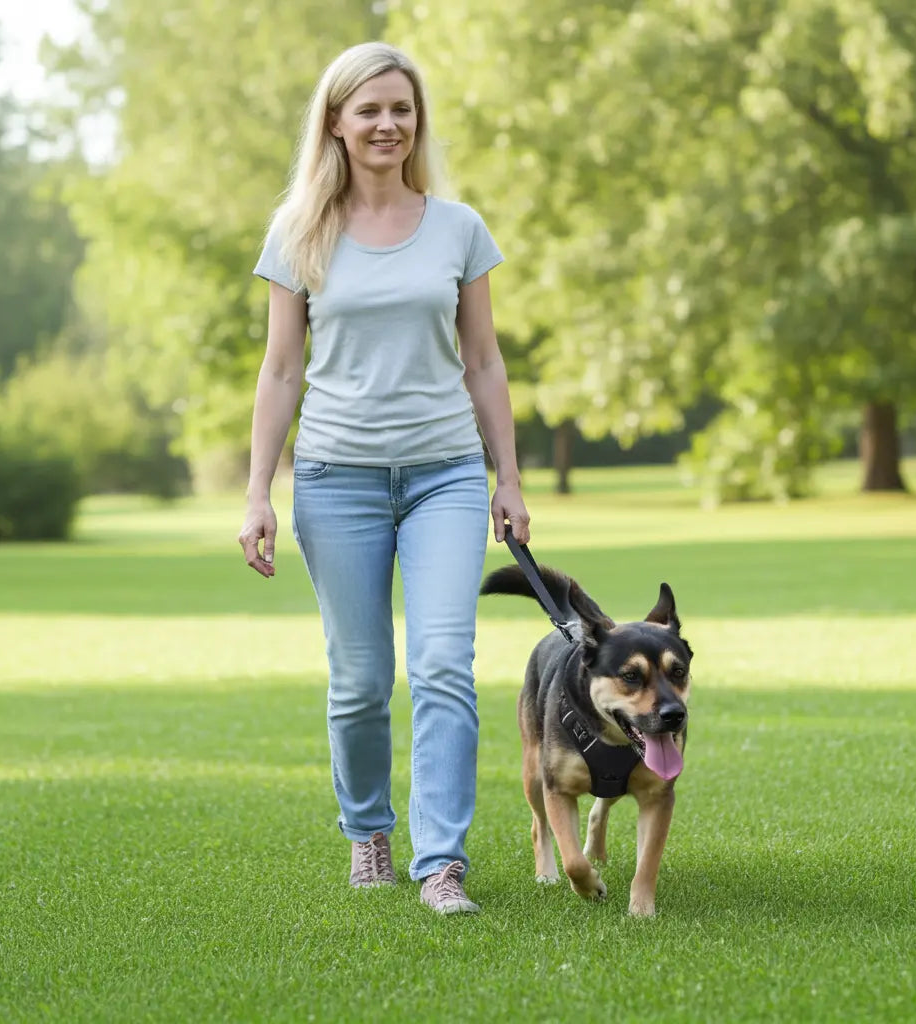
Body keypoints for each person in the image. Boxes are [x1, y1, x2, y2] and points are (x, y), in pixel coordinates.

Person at [237, 41, 530, 915]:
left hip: (444, 472)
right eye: (368, 109)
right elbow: (281, 370)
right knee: (361, 679)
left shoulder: (458, 227)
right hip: (337, 478)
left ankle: (441, 862)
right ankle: (369, 831)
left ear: (417, 121)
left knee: (444, 664)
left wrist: (506, 475)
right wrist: (258, 491)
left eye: (401, 109)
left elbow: (482, 359)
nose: (387, 124)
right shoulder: (299, 233)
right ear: (335, 121)